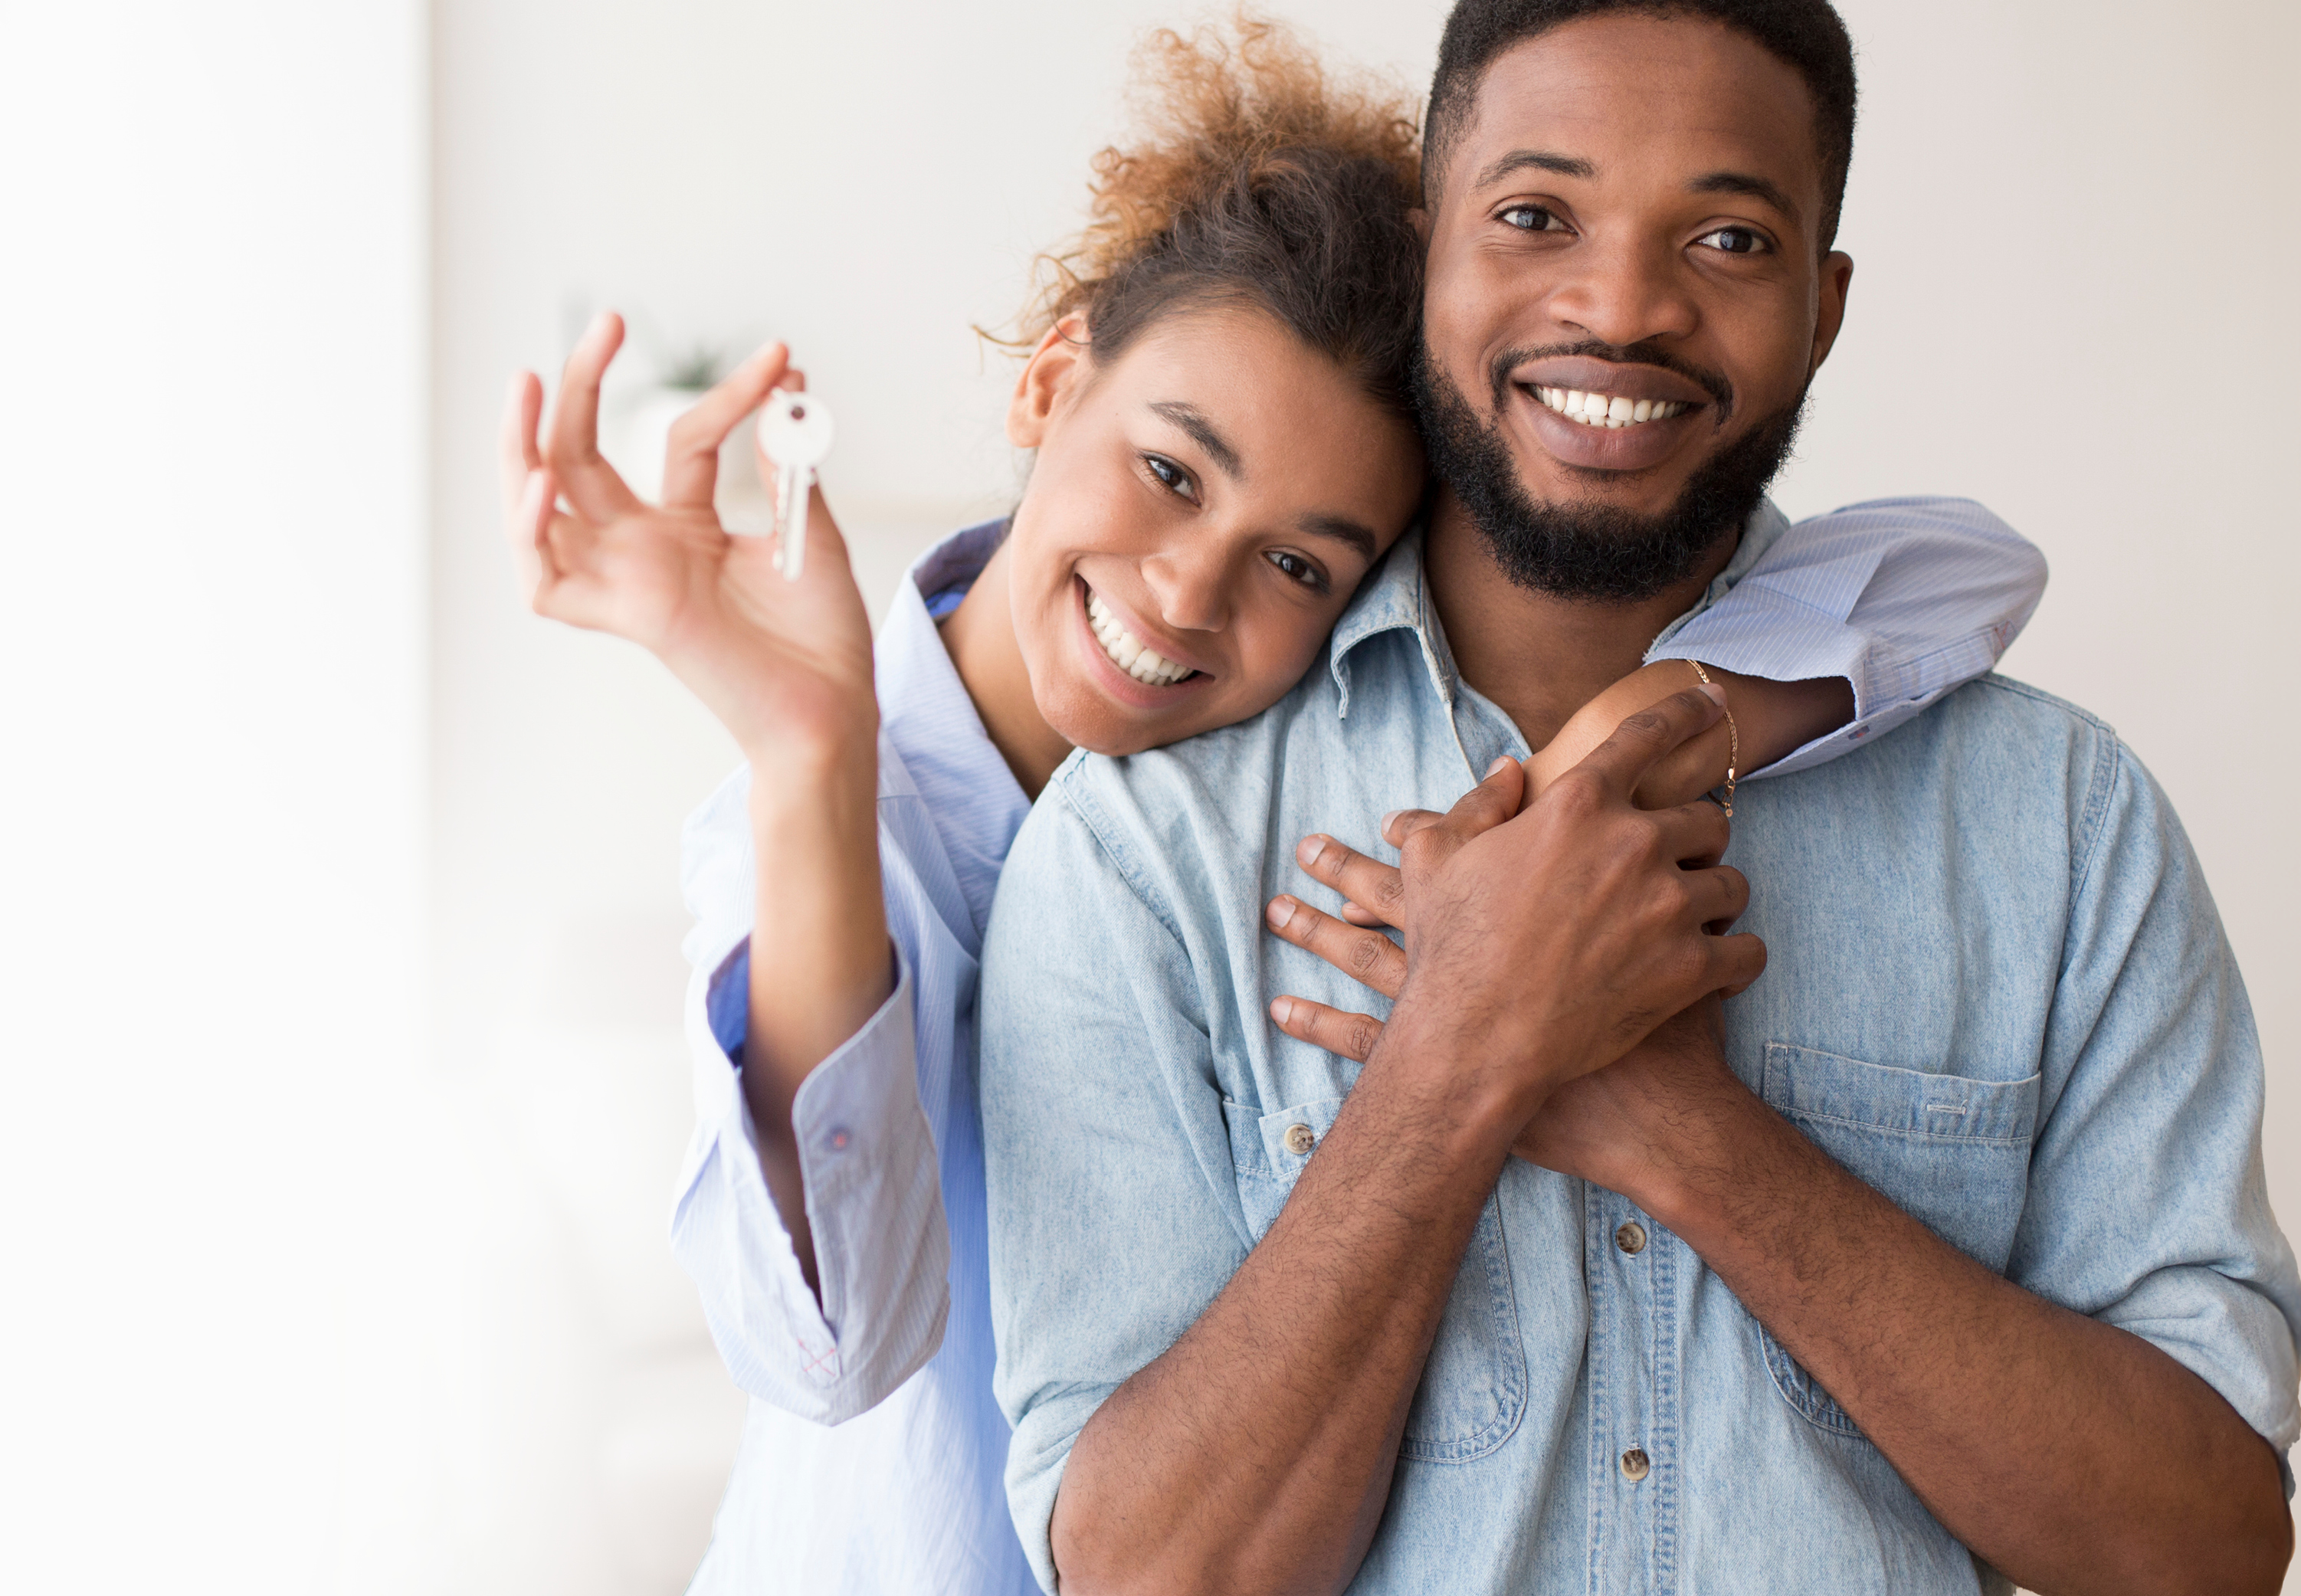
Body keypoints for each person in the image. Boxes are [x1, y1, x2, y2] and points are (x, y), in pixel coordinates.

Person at [503, 17, 2045, 1595]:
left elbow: (1967, 568)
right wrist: (813, 752)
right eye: (1171, 471)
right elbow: (828, 1344)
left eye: (1299, 561)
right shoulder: (847, 808)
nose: (1184, 594)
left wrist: (1672, 708)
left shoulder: (1284, 767)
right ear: (1053, 374)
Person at [978, 3, 2301, 1595]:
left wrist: (1681, 1130)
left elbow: (2205, 1547)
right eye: (1536, 215)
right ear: (1433, 255)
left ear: (1822, 311)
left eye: (1730, 238)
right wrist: (1466, 1048)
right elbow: (1146, 1577)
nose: (1621, 306)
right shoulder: (1143, 847)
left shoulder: (2064, 827)